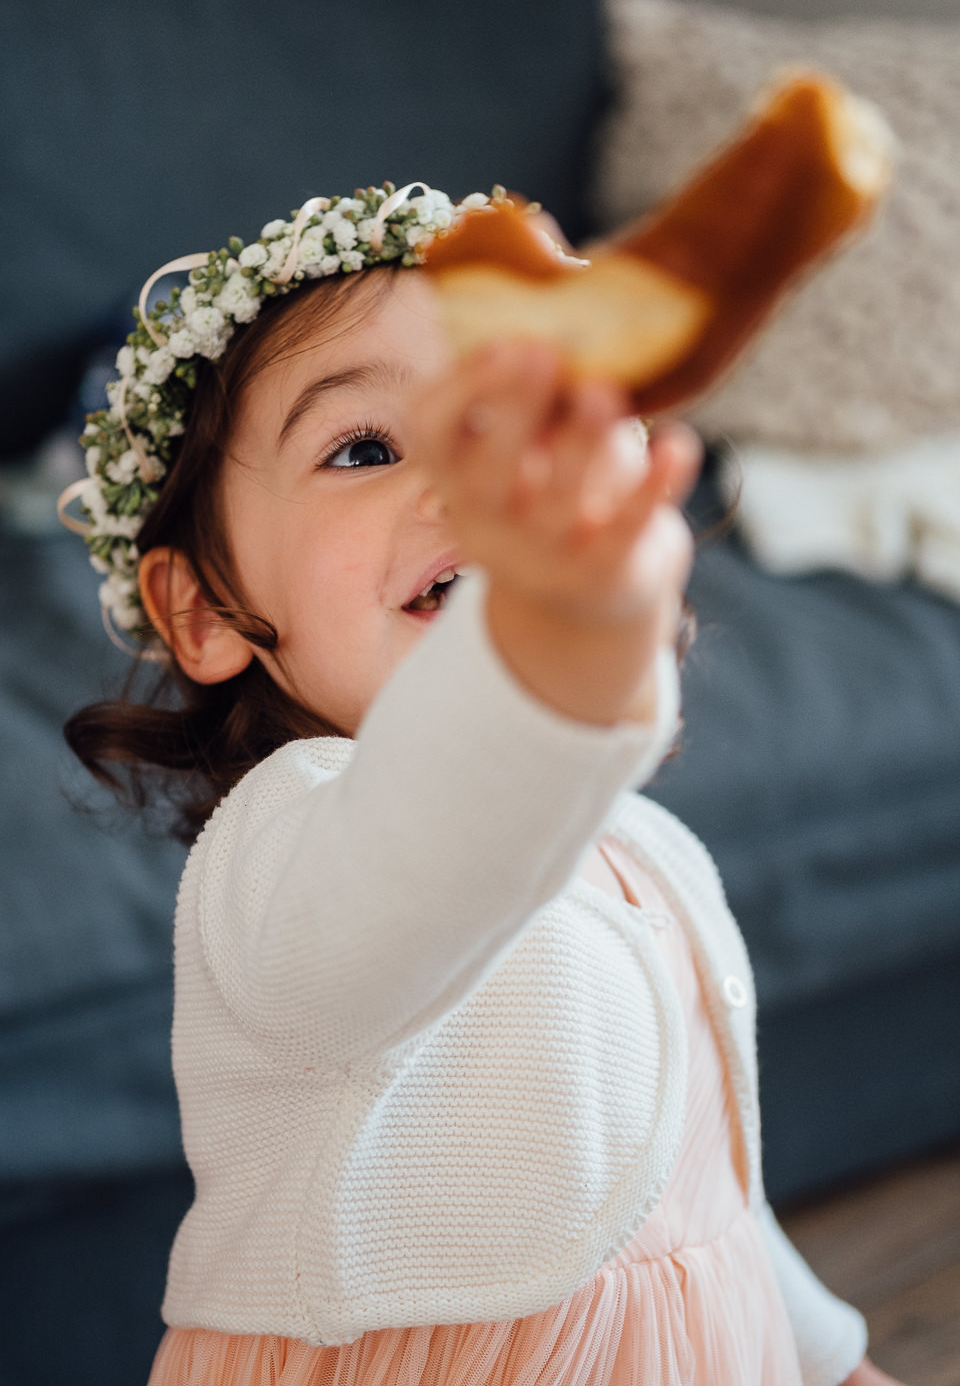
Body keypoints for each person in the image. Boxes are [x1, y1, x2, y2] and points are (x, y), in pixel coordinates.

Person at [63, 184, 902, 1386]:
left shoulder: (651, 853)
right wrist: (568, 639)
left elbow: (700, 1185)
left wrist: (830, 1358)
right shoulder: (284, 846)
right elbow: (428, 845)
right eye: (364, 447)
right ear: (203, 609)